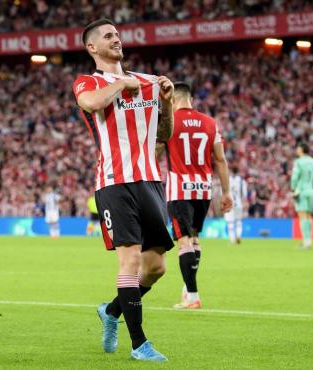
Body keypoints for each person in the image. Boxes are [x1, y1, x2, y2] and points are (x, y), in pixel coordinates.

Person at [73, 18, 175, 361]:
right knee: (130, 260)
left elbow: (164, 135)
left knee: (156, 267)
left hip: (149, 181)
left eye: (117, 34)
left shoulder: (147, 81)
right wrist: (123, 84)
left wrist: (168, 100)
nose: (116, 39)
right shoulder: (89, 81)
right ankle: (139, 344)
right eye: (108, 36)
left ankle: (112, 310)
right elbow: (91, 103)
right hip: (114, 182)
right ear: (92, 48)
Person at [162, 82, 232, 309]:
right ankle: (187, 287)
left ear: (173, 100)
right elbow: (220, 160)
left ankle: (192, 296)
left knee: (183, 242)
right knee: (193, 238)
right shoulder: (211, 123)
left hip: (180, 189)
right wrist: (227, 192)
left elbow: (155, 152)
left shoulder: (170, 121)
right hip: (203, 189)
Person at [291, 143, 313, 249]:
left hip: (301, 190)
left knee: (302, 215)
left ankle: (306, 242)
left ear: (301, 150)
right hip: (311, 191)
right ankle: (309, 240)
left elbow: (295, 177)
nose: (297, 150)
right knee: (309, 216)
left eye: (298, 148)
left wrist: (293, 187)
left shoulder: (299, 162)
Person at [224, 170, 248, 245]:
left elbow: (223, 192)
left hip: (229, 204)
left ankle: (232, 240)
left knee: (230, 222)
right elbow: (244, 194)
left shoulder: (227, 180)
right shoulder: (241, 181)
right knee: (238, 221)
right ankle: (238, 236)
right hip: (238, 204)